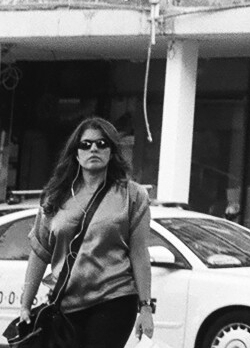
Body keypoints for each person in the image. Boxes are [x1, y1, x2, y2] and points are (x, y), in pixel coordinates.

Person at [17, 117, 154, 348]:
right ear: (76, 153)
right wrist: (25, 305)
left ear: (112, 152)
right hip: (65, 304)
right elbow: (40, 252)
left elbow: (139, 253)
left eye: (102, 144)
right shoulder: (55, 196)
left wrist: (146, 307)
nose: (94, 149)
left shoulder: (132, 195)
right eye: (86, 144)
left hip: (114, 299)